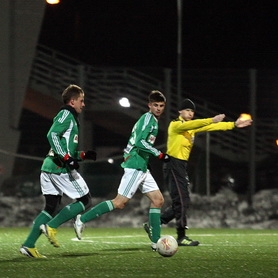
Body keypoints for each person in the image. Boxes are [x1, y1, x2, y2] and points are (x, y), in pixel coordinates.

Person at [144, 98, 253, 246]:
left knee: (183, 201)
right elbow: (197, 124)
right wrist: (211, 119)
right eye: (187, 110)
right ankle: (181, 236)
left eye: (192, 111)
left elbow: (212, 127)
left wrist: (233, 124)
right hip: (172, 164)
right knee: (181, 201)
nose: (190, 113)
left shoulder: (191, 127)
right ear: (180, 111)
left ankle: (156, 223)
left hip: (181, 166)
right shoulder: (175, 124)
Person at [74, 90, 169, 251]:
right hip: (135, 166)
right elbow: (140, 142)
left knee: (158, 200)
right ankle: (81, 219)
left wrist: (146, 159)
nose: (158, 108)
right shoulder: (148, 119)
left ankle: (155, 241)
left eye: (161, 106)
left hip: (141, 165)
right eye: (155, 105)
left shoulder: (152, 120)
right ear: (149, 105)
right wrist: (158, 154)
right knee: (119, 203)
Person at [20, 84, 97, 258]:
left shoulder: (70, 118)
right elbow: (52, 135)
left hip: (49, 167)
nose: (83, 104)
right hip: (58, 168)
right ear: (72, 101)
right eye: (81, 101)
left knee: (51, 206)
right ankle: (52, 226)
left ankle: (28, 245)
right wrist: (67, 159)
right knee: (85, 200)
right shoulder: (66, 114)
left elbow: (63, 148)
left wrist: (82, 155)